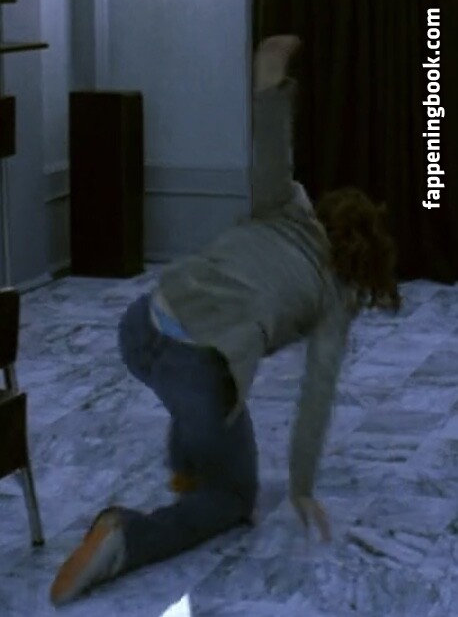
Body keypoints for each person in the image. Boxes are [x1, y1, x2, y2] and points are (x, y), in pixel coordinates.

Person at [50, 35, 400, 606]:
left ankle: (188, 462)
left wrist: (270, 83)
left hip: (141, 326)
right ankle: (125, 538)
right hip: (197, 364)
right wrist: (302, 487)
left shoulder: (284, 206)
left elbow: (272, 151)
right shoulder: (335, 298)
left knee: (201, 392)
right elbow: (316, 395)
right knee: (234, 497)